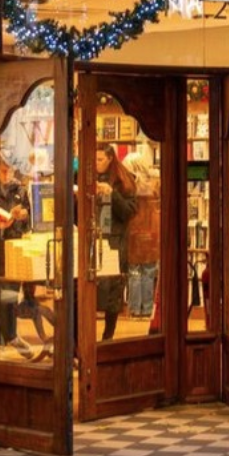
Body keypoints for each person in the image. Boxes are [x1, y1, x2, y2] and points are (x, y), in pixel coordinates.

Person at [0, 151, 33, 358]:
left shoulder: (19, 190)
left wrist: (22, 216)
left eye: (10, 171)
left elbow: (28, 220)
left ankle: (3, 339)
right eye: (3, 171)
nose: (7, 175)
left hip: (14, 247)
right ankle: (11, 336)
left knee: (11, 295)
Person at [95, 144, 137, 341]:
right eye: (94, 160)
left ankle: (107, 337)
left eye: (100, 160)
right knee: (91, 290)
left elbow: (129, 212)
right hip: (94, 240)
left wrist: (112, 193)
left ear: (111, 158)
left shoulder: (123, 180)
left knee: (112, 293)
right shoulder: (88, 177)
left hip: (115, 243)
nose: (96, 164)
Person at [122, 151, 161, 319]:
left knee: (134, 271)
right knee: (149, 270)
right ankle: (147, 309)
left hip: (134, 228)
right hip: (152, 228)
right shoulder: (154, 183)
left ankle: (134, 309)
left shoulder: (128, 184)